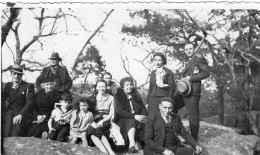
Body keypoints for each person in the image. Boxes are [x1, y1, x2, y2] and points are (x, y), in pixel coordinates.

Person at [173, 42, 210, 141]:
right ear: (185, 51)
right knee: (171, 105)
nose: (188, 51)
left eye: (190, 49)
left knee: (193, 117)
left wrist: (191, 78)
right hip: (183, 91)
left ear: (194, 49)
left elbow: (206, 73)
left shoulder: (199, 59)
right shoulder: (186, 61)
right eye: (186, 49)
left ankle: (193, 140)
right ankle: (178, 133)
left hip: (192, 92)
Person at [115, 77, 148, 153]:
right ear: (123, 86)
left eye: (131, 84)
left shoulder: (136, 95)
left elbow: (143, 108)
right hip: (123, 119)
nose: (129, 87)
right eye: (127, 85)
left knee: (145, 122)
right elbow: (120, 112)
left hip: (137, 118)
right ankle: (132, 144)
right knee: (131, 121)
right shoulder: (118, 96)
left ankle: (140, 142)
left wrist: (143, 116)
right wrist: (134, 116)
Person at [2, 64, 35, 137]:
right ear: (11, 74)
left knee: (17, 128)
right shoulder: (7, 85)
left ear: (21, 75)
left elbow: (30, 102)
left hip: (21, 111)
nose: (16, 76)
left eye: (19, 74)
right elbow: (3, 100)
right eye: (14, 74)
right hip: (9, 111)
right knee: (7, 125)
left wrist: (21, 114)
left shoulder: (28, 86)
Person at [87, 79, 115, 155]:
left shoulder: (111, 98)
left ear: (106, 87)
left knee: (99, 129)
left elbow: (111, 114)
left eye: (103, 86)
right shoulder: (92, 98)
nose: (101, 88)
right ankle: (105, 152)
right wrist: (91, 122)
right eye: (99, 86)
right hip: (94, 119)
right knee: (91, 130)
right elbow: (88, 112)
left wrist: (102, 121)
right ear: (96, 87)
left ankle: (111, 151)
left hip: (105, 119)